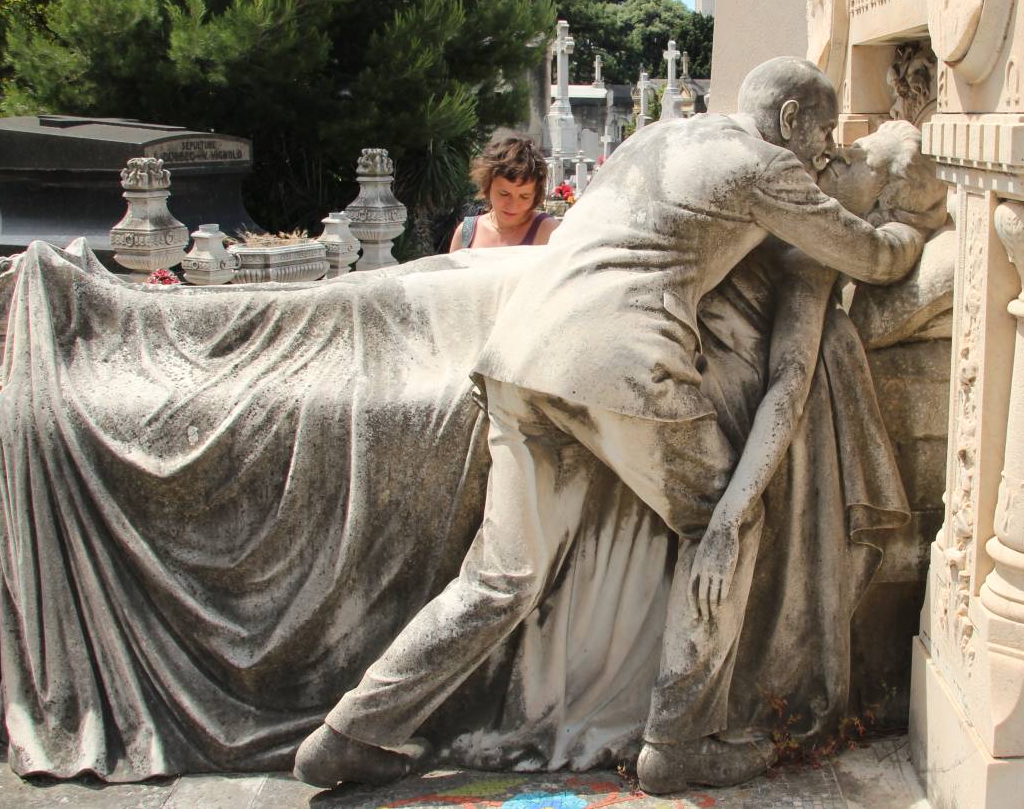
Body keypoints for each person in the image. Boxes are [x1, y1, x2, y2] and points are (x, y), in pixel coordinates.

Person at [293, 57, 926, 793]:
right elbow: (873, 258)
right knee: (723, 524)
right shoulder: (767, 166)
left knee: (499, 577)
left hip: (521, 355)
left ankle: (352, 730)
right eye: (823, 132)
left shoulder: (657, 137)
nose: (827, 150)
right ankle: (679, 739)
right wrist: (908, 227)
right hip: (623, 366)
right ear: (789, 120)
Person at [448, 137, 559, 251]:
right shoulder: (466, 233)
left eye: (524, 196)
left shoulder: (549, 233)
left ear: (535, 195)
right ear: (488, 186)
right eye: (504, 194)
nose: (513, 206)